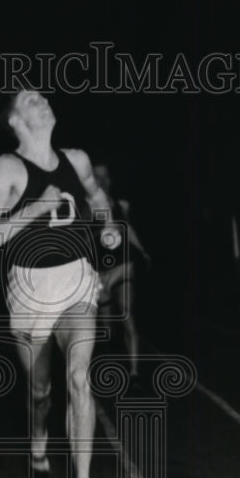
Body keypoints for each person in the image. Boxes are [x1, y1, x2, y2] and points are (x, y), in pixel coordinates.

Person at [0, 90, 118, 478]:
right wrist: (34, 207)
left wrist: (108, 226)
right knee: (40, 392)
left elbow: (97, 198)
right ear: (15, 120)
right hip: (29, 288)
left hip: (76, 279)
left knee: (80, 377)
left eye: (43, 97)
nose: (44, 102)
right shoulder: (8, 167)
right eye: (31, 100)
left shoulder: (76, 158)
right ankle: (38, 436)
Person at [92, 164, 150, 385]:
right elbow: (83, 235)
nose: (102, 179)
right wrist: (103, 230)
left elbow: (128, 227)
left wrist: (142, 250)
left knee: (127, 316)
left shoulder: (120, 204)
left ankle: (134, 372)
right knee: (105, 325)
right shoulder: (86, 205)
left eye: (105, 175)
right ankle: (107, 369)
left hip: (123, 265)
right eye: (97, 176)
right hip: (100, 270)